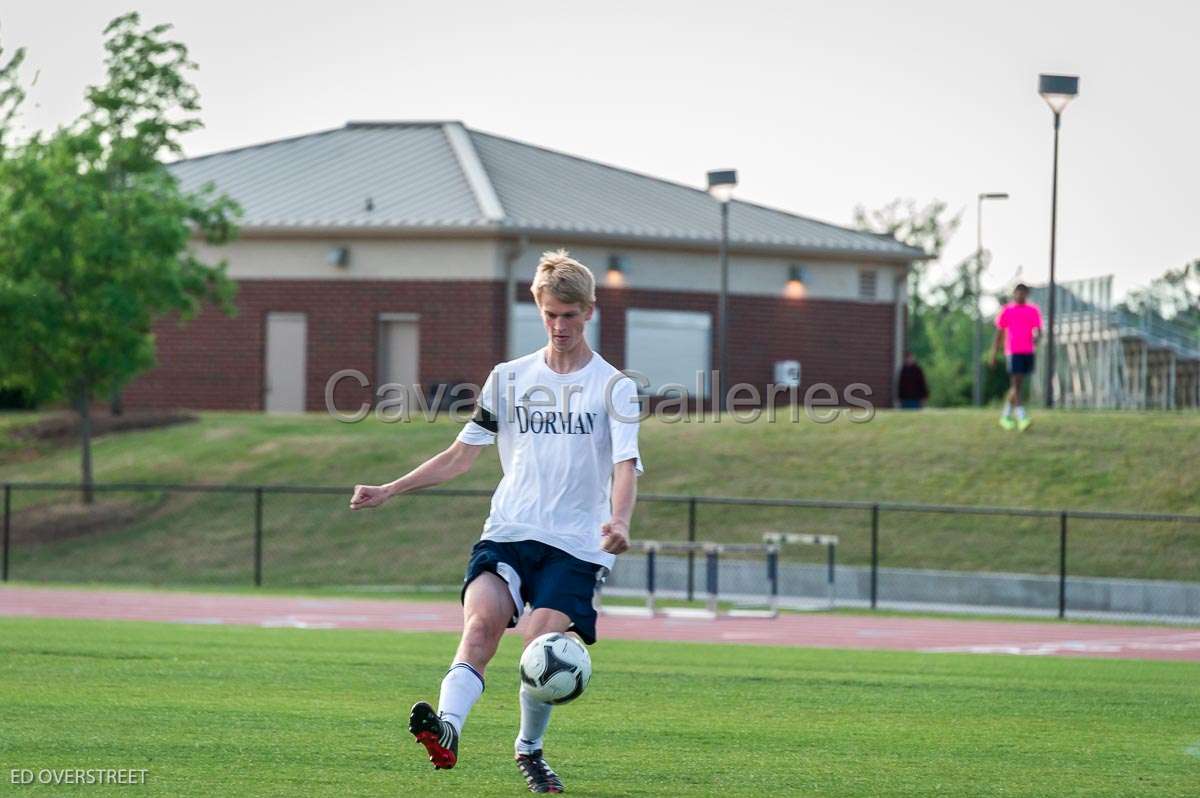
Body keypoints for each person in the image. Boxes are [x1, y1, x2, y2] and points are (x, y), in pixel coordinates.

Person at [349, 249, 642, 794]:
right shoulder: (508, 379)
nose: (560, 325)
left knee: (538, 651)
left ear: (590, 311)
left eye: (570, 315)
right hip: (508, 532)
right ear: (539, 308)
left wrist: (619, 521)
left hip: (576, 544)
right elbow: (461, 455)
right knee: (480, 627)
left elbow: (626, 465)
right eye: (551, 313)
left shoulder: (614, 387)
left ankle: (528, 749)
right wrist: (391, 488)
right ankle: (448, 730)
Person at [991, 283, 1043, 431]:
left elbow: (1038, 330)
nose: (1020, 295)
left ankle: (1005, 415)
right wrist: (994, 353)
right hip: (1013, 351)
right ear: (1014, 293)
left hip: (1028, 351)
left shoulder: (1033, 310)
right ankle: (1021, 417)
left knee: (1017, 385)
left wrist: (1037, 338)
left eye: (1023, 293)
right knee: (1016, 383)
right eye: (1018, 292)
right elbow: (999, 333)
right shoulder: (1007, 310)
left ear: (1027, 294)